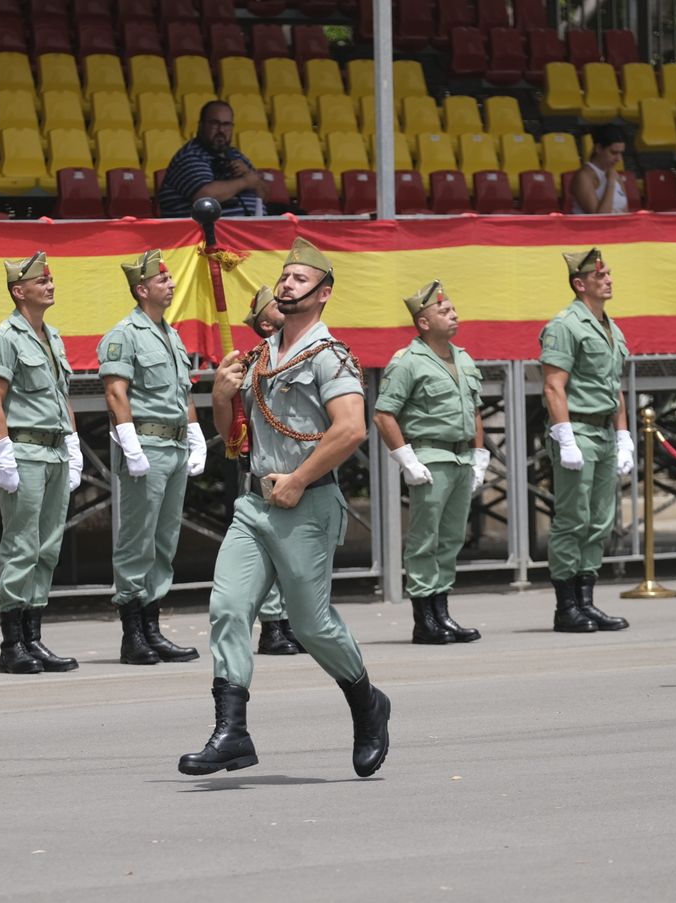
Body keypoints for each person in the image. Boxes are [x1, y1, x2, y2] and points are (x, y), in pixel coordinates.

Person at [179, 238, 390, 778]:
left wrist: (298, 479)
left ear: (323, 294)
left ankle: (366, 702)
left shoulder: (332, 356)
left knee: (310, 623)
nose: (287, 284)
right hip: (254, 503)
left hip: (305, 503)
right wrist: (222, 398)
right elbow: (235, 441)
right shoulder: (257, 358)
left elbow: (349, 429)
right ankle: (233, 732)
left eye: (299, 279)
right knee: (228, 608)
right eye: (285, 276)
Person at [97, 249, 205, 666]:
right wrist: (130, 444)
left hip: (175, 445)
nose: (171, 284)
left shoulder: (170, 334)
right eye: (163, 280)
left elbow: (183, 393)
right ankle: (132, 635)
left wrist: (195, 437)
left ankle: (153, 628)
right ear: (142, 289)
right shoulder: (124, 334)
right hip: (148, 445)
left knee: (164, 542)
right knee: (137, 541)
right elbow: (115, 392)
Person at [0, 252, 83, 675]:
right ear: (19, 291)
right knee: (21, 546)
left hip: (54, 449)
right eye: (42, 281)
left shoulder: (51, 336)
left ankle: (33, 637)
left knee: (47, 547)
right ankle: (12, 644)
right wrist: (3, 454)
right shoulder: (4, 337)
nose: (50, 285)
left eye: (51, 279)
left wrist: (73, 445)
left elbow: (61, 396)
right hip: (24, 450)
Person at [374, 280, 490, 644]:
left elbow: (474, 412)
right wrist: (406, 458)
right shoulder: (408, 362)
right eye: (443, 311)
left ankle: (442, 613)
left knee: (452, 537)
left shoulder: (463, 358)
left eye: (453, 309)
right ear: (423, 323)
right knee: (426, 539)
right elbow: (383, 414)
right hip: (430, 455)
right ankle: (424, 619)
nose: (453, 315)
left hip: (460, 455)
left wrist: (480, 454)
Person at [539, 248, 634, 633]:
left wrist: (624, 434)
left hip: (604, 431)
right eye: (600, 275)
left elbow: (614, 387)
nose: (608, 279)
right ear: (580, 284)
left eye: (609, 273)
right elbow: (553, 385)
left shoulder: (611, 327)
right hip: (577, 428)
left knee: (599, 520)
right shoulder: (565, 325)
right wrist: (565, 438)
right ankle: (566, 607)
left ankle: (587, 601)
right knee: (573, 519)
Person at [241, 285, 304, 656]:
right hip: (270, 464)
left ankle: (290, 623)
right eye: (275, 306)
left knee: (295, 551)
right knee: (272, 548)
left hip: (298, 464)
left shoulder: (298, 353)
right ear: (266, 323)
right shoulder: (260, 360)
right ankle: (272, 627)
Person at [155, 100, 265, 218]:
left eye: (226, 124)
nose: (221, 130)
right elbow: (205, 197)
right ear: (201, 125)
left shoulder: (236, 155)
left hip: (250, 229)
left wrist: (253, 178)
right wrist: (245, 182)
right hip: (205, 234)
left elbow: (264, 196)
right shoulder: (190, 156)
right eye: (215, 123)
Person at [570, 124, 629, 214]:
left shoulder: (614, 174)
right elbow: (599, 218)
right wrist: (610, 183)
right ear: (598, 148)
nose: (619, 159)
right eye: (613, 153)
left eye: (621, 153)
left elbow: (626, 212)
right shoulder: (583, 176)